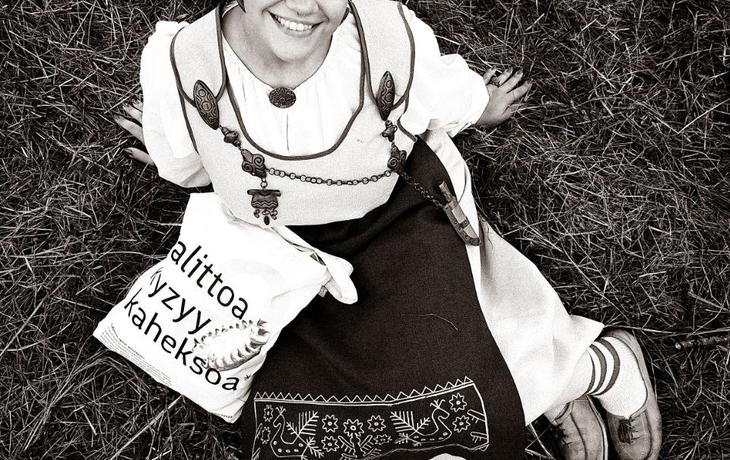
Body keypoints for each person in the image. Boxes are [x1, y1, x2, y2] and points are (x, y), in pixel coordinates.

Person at [114, 0, 662, 458]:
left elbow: (435, 94)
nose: (303, 6)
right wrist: (177, 140)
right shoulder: (182, 61)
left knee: (452, 369)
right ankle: (565, 380)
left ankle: (595, 371)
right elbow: (186, 159)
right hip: (287, 253)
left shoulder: (383, 37)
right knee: (308, 428)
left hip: (397, 217)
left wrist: (477, 107)